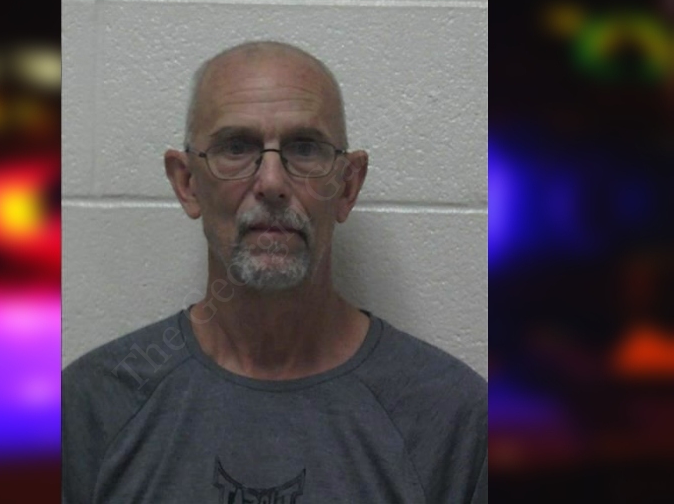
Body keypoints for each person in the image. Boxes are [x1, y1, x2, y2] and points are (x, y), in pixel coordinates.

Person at [62, 40, 487, 503]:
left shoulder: (452, 420)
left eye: (304, 148)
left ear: (347, 186)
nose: (271, 183)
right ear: (187, 183)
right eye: (235, 147)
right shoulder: (91, 408)